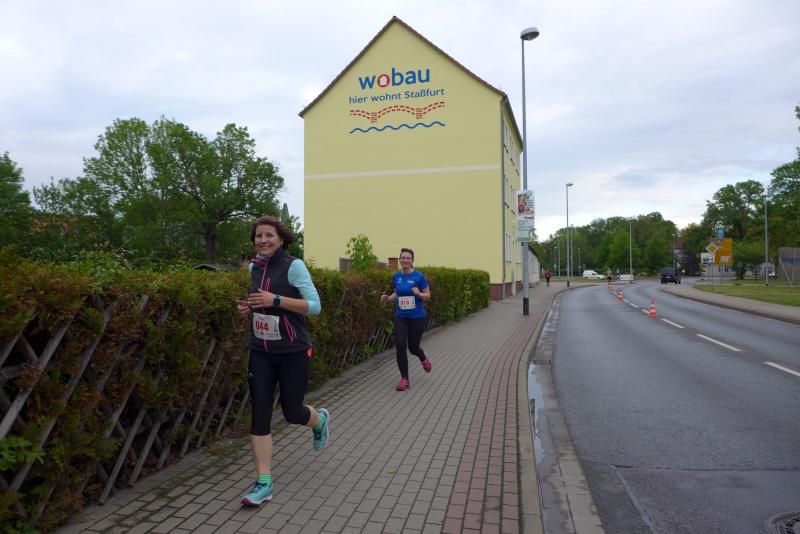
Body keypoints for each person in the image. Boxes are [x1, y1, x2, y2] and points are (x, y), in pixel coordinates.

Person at [234, 215, 328, 507]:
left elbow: (314, 306)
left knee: (291, 412)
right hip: (260, 350)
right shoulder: (253, 267)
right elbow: (260, 302)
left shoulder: (293, 266)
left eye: (269, 235)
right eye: (258, 236)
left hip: (293, 351)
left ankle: (319, 420)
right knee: (260, 413)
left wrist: (275, 300)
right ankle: (264, 482)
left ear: (281, 238)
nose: (263, 240)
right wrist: (249, 309)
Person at [380, 248, 432, 391]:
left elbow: (428, 295)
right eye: (403, 258)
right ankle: (405, 379)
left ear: (412, 260)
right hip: (401, 316)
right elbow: (398, 292)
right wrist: (388, 298)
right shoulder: (396, 276)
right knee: (400, 345)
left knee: (413, 348)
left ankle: (423, 357)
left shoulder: (419, 276)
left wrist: (419, 294)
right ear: (400, 260)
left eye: (408, 258)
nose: (405, 260)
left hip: (417, 317)